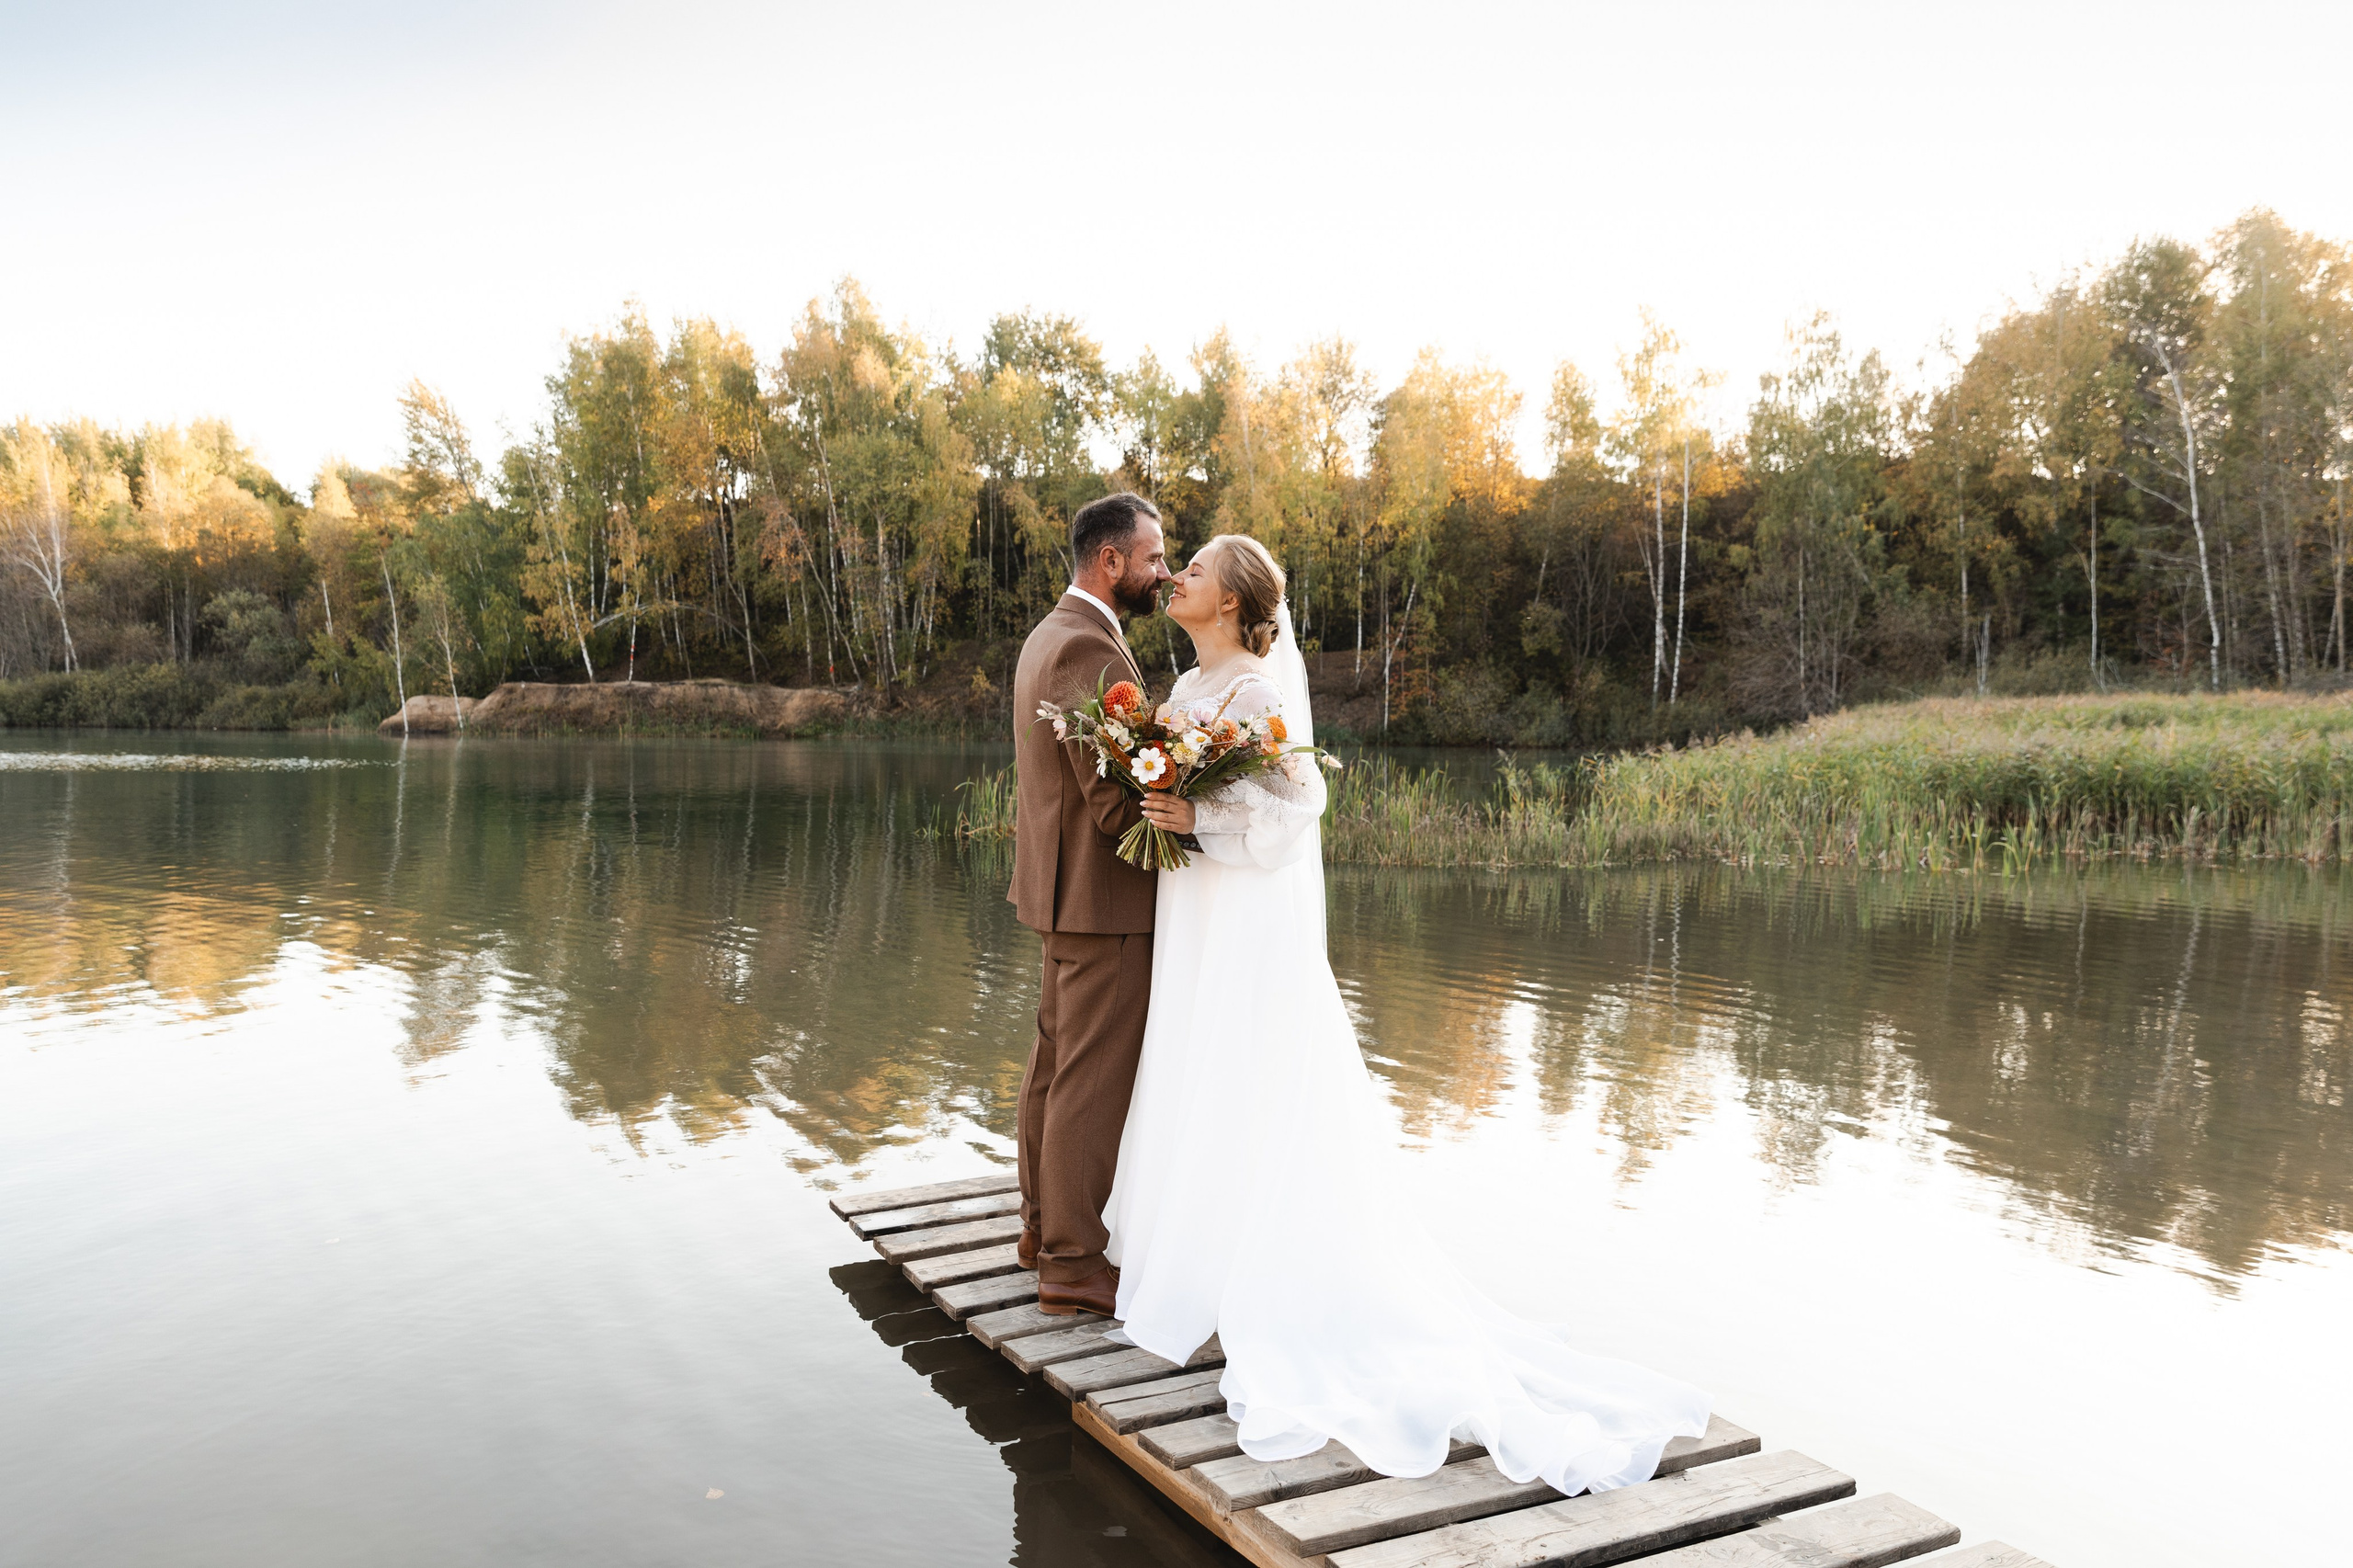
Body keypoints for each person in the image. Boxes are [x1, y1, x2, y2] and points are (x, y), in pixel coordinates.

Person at [1106, 533, 1711, 1494]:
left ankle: (1269, 1273)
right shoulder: (1180, 692)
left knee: (1249, 1062)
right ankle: (1206, 1260)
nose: (1175, 576)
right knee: (1196, 1060)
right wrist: (1159, 798)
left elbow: (1296, 801)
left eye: (1195, 569)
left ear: (1229, 601)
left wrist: (1201, 821)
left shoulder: (1261, 689)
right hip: (1196, 907)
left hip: (1243, 910)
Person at [1007, 492, 1173, 1317]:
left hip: (1062, 893)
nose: (1162, 573)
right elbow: (1113, 799)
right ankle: (1072, 1259)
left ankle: (1043, 1228)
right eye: (1154, 557)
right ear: (1111, 560)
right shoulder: (1088, 650)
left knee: (1054, 1063)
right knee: (1089, 1079)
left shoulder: (1053, 634)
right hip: (1103, 900)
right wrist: (1187, 840)